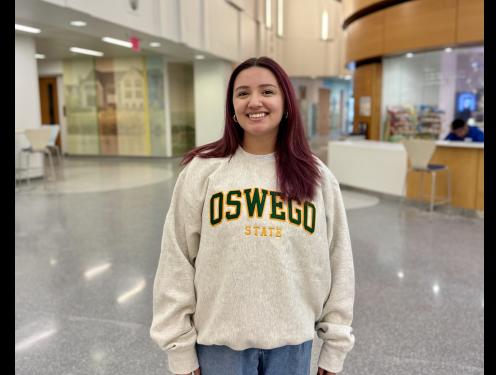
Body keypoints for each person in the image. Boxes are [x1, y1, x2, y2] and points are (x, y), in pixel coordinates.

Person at [150, 57, 355, 375]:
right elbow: (176, 259)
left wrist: (335, 347)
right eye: (242, 93)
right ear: (231, 106)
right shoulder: (203, 171)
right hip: (219, 346)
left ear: (286, 102)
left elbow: (338, 261)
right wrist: (179, 349)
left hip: (292, 345)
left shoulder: (317, 177)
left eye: (267, 91)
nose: (254, 102)